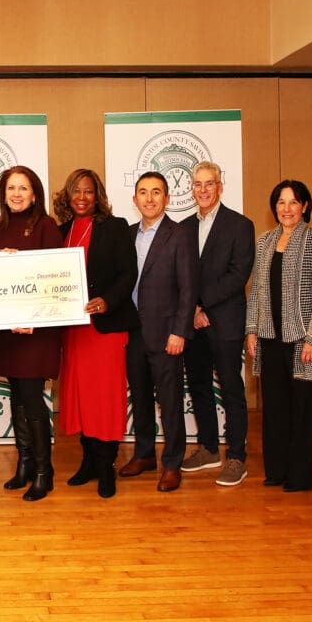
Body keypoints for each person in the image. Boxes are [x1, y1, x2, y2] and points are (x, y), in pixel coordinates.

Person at [0, 166, 63, 501]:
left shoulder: (46, 226)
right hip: (6, 329)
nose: (16, 194)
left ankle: (45, 471)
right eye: (10, 188)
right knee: (17, 396)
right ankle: (25, 464)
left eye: (23, 188)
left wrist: (22, 260)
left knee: (32, 399)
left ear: (34, 193)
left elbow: (54, 277)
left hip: (34, 329)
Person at [52, 168, 138, 499]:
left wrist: (107, 301)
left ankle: (106, 467)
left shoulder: (114, 228)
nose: (82, 198)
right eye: (76, 191)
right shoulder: (60, 231)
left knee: (105, 399)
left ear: (97, 195)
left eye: (88, 191)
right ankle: (88, 461)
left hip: (105, 329)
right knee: (80, 398)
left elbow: (128, 273)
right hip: (73, 330)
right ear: (67, 196)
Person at [245, 180, 312, 493]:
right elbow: (255, 290)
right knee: (276, 410)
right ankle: (277, 470)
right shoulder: (264, 241)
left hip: (304, 342)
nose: (287, 208)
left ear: (305, 206)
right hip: (270, 339)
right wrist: (252, 330)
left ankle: (300, 477)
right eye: (281, 202)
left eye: (293, 202)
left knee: (304, 412)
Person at [118, 171, 198, 493]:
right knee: (139, 398)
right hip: (132, 331)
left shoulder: (179, 235)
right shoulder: (125, 234)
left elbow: (188, 289)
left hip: (166, 334)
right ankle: (144, 454)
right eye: (143, 192)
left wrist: (180, 331)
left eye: (156, 192)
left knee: (170, 401)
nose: (149, 198)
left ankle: (172, 463)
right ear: (135, 199)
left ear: (166, 198)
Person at [179, 161, 255, 486]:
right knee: (198, 387)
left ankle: (236, 456)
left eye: (209, 184)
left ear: (220, 187)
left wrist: (203, 304)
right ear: (192, 189)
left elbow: (238, 274)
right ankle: (209, 449)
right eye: (197, 184)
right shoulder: (182, 228)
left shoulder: (240, 225)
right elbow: (179, 276)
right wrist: (193, 310)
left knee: (231, 388)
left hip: (225, 321)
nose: (203, 190)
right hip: (192, 323)